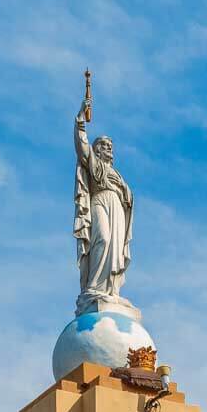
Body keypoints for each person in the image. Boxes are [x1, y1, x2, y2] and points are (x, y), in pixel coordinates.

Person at [73, 97, 134, 308]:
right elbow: (81, 146)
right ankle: (94, 288)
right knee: (103, 239)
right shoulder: (94, 163)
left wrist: (125, 191)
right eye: (105, 145)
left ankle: (111, 290)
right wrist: (81, 119)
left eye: (110, 146)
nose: (109, 148)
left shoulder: (116, 174)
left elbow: (128, 197)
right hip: (100, 200)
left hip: (116, 205)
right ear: (97, 149)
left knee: (115, 248)